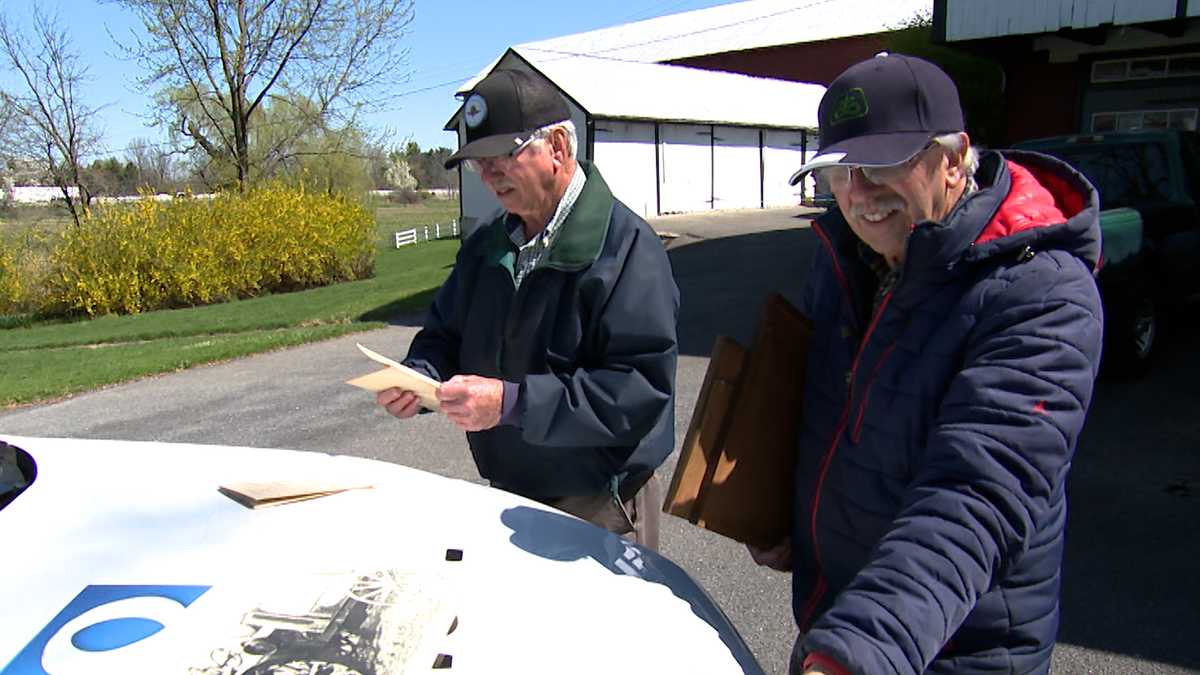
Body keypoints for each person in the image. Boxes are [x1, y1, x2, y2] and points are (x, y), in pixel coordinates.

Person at [752, 53, 1104, 674]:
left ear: (954, 156)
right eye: (840, 169)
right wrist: (781, 512)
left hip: (956, 649)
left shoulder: (1042, 292)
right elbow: (824, 412)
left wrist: (855, 653)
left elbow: (977, 494)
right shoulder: (848, 261)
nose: (858, 193)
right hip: (842, 622)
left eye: (884, 162)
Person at [375, 69, 679, 550]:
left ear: (558, 147)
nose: (489, 175)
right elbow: (444, 334)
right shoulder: (486, 246)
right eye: (479, 162)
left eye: (504, 156)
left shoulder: (626, 248)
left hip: (598, 502)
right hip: (511, 489)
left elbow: (635, 393)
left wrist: (510, 404)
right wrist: (420, 377)